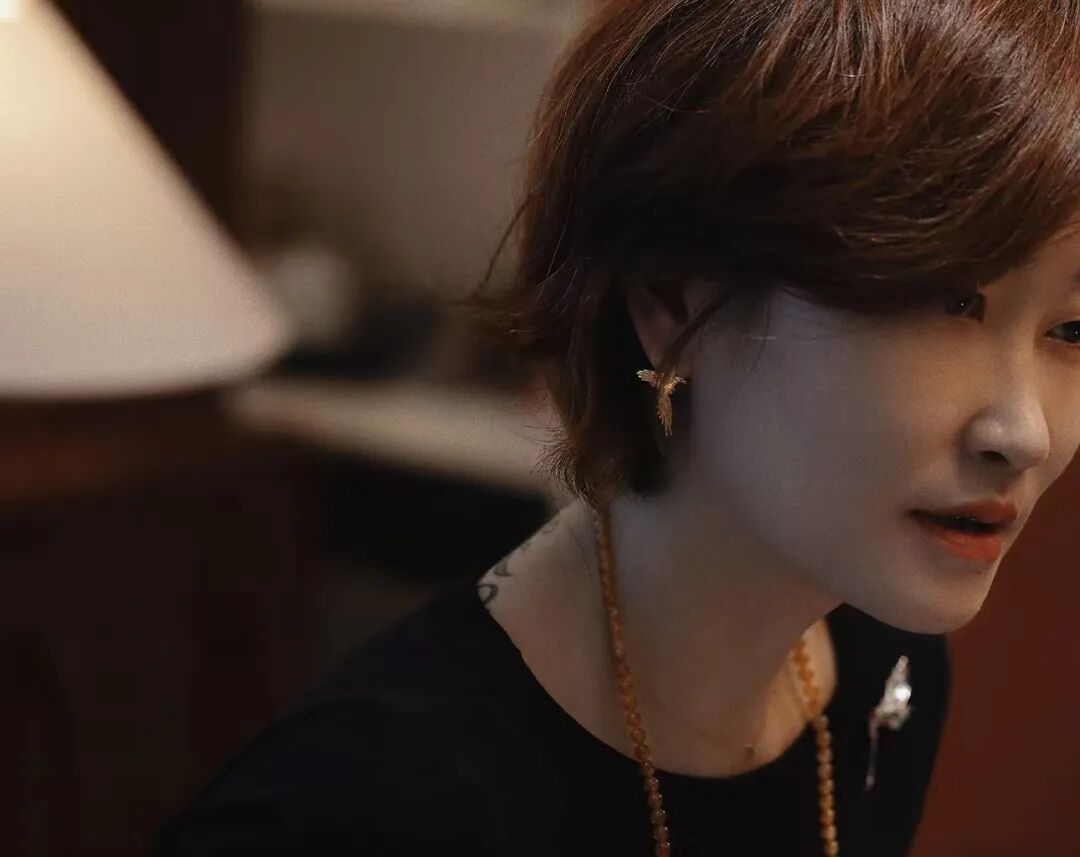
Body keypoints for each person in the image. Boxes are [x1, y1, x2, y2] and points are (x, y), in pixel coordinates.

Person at [155, 1, 1080, 854]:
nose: (1025, 431)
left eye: (1073, 330)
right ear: (672, 299)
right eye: (943, 304)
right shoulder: (355, 808)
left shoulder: (886, 673)